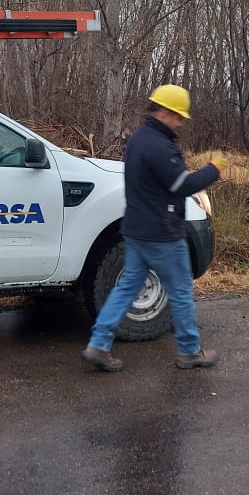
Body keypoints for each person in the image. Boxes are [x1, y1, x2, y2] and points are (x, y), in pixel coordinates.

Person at [82, 84, 224, 372]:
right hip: (162, 234)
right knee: (181, 290)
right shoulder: (160, 146)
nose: (181, 122)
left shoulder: (137, 139)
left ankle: (99, 343)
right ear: (164, 112)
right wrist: (212, 170)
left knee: (125, 289)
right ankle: (189, 351)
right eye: (178, 117)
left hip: (135, 229)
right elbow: (181, 185)